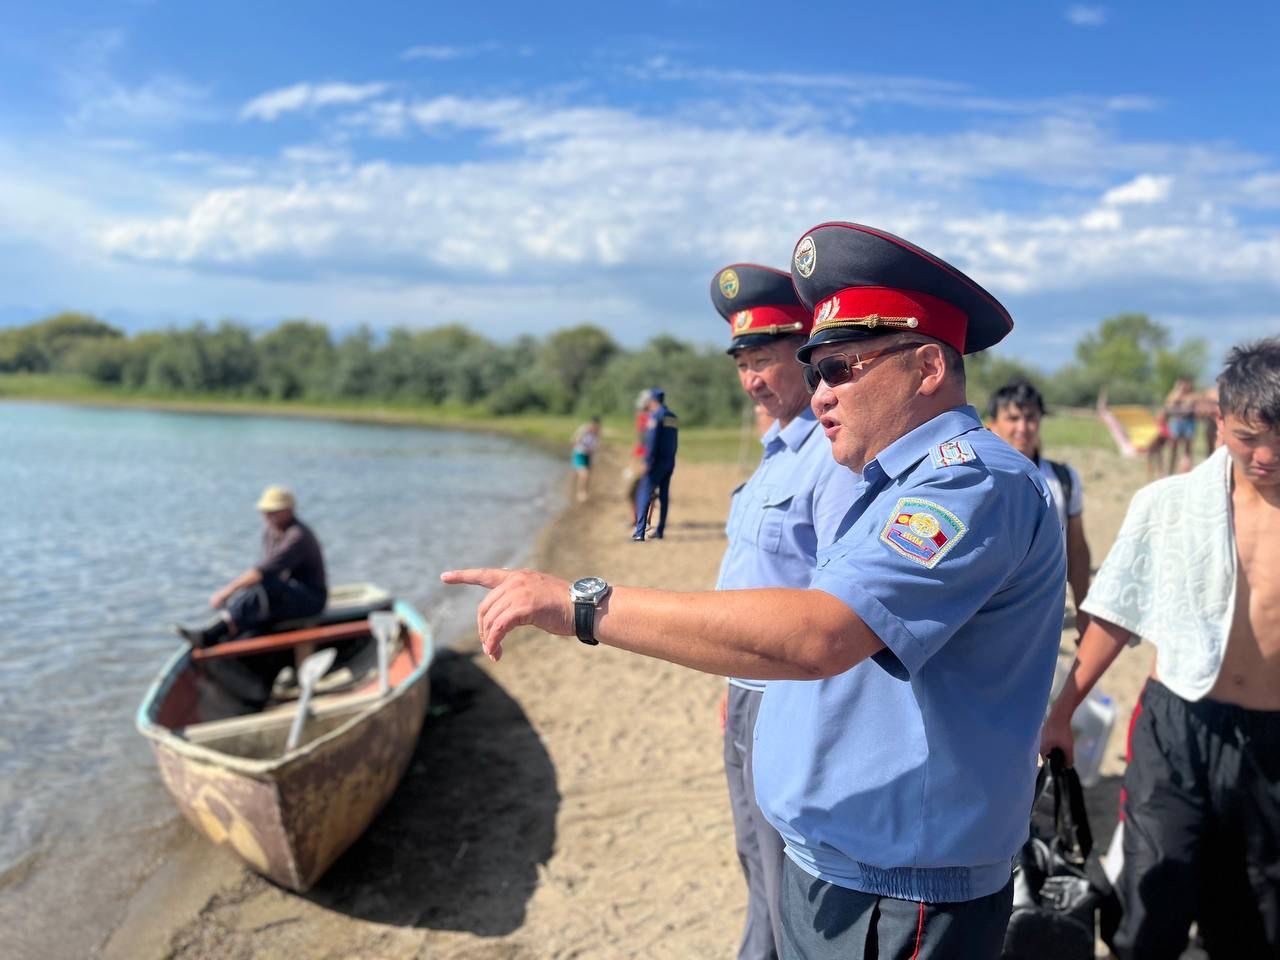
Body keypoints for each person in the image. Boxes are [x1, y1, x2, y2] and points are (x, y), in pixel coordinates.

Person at [444, 221, 1066, 959]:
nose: (820, 391)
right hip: (838, 866)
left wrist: (583, 604)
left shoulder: (971, 484)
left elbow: (819, 634)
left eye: (842, 369)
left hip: (903, 893)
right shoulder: (885, 480)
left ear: (928, 367)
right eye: (817, 367)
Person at [1040, 337, 1280, 959]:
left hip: (1272, 745)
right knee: (1153, 893)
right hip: (1179, 726)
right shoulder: (1169, 505)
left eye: (1279, 438)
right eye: (1249, 437)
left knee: (1257, 914)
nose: (1266, 456)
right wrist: (1062, 710)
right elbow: (1116, 615)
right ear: (1219, 422)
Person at [710, 262, 862, 960]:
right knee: (753, 856)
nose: (752, 380)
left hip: (793, 700)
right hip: (748, 693)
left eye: (766, 359)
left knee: (787, 874)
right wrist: (731, 688)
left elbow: (833, 612)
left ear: (808, 356)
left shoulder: (832, 460)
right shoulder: (776, 454)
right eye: (744, 362)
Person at [988, 378, 1093, 637]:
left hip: (1045, 617)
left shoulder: (1064, 479)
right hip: (988, 617)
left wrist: (1083, 612)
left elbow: (1077, 549)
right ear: (992, 425)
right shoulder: (978, 479)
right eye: (1012, 418)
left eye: (1030, 417)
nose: (1023, 428)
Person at [176, 484, 328, 648]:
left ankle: (213, 634)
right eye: (266, 512)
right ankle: (225, 632)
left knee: (261, 584)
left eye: (274, 511)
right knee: (254, 595)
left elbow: (263, 572)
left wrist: (226, 592)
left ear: (289, 510)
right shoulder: (271, 532)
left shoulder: (297, 536)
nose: (268, 516)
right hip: (286, 594)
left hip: (311, 599)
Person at [632, 388, 678, 541]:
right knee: (664, 496)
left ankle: (639, 533)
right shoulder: (672, 417)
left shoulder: (655, 416)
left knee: (644, 494)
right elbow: (674, 441)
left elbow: (651, 441)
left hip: (655, 462)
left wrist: (647, 461)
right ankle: (660, 530)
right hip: (669, 461)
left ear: (652, 401)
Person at [1164, 377, 1198, 474]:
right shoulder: (1174, 394)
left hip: (1188, 422)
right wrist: (1178, 391)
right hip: (1176, 422)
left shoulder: (1192, 395)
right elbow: (1169, 404)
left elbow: (1190, 404)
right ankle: (1170, 470)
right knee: (1173, 448)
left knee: (1188, 448)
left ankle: (1187, 470)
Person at [571, 416, 602, 503]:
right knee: (584, 474)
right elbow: (574, 440)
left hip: (589, 456)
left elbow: (596, 445)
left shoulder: (597, 433)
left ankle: (584, 492)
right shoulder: (584, 429)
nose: (595, 427)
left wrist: (593, 451)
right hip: (580, 454)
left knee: (587, 475)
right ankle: (580, 493)